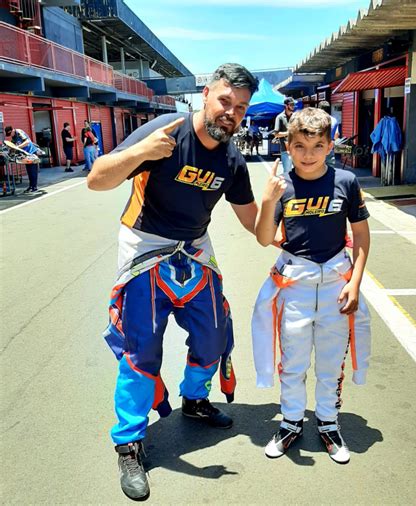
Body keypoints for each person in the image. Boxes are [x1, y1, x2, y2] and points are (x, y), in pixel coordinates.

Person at [87, 63, 259, 500]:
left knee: (214, 334)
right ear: (206, 94)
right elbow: (96, 180)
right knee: (141, 347)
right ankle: (129, 441)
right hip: (145, 245)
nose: (230, 113)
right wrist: (139, 152)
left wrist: (300, 225)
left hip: (194, 248)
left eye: (240, 107)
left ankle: (195, 399)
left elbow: (252, 222)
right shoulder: (167, 129)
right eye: (225, 101)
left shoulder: (233, 159)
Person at [252, 107, 371, 464]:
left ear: (330, 145)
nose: (308, 154)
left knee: (331, 363)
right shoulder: (282, 185)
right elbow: (263, 238)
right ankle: (290, 421)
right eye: (300, 146)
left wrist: (356, 282)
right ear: (288, 146)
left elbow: (362, 237)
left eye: (317, 145)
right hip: (295, 287)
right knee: (293, 362)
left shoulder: (346, 182)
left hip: (336, 285)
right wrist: (269, 199)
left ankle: (328, 422)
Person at [4, 125, 40, 193]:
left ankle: (34, 187)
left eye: (10, 133)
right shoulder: (13, 138)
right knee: (29, 171)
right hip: (26, 154)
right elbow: (13, 147)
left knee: (33, 171)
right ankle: (31, 186)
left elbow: (27, 142)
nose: (10, 135)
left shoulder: (19, 132)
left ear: (12, 130)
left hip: (31, 152)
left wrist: (18, 147)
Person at [274, 97, 295, 173]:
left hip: (297, 149)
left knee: (300, 172)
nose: (293, 106)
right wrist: (288, 133)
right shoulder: (280, 117)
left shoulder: (295, 117)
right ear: (286, 106)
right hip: (286, 150)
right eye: (291, 104)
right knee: (287, 172)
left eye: (293, 104)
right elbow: (276, 134)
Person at [318, 100, 340, 168]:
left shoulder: (316, 120)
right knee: (330, 168)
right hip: (330, 147)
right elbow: (337, 134)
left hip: (318, 148)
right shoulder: (334, 120)